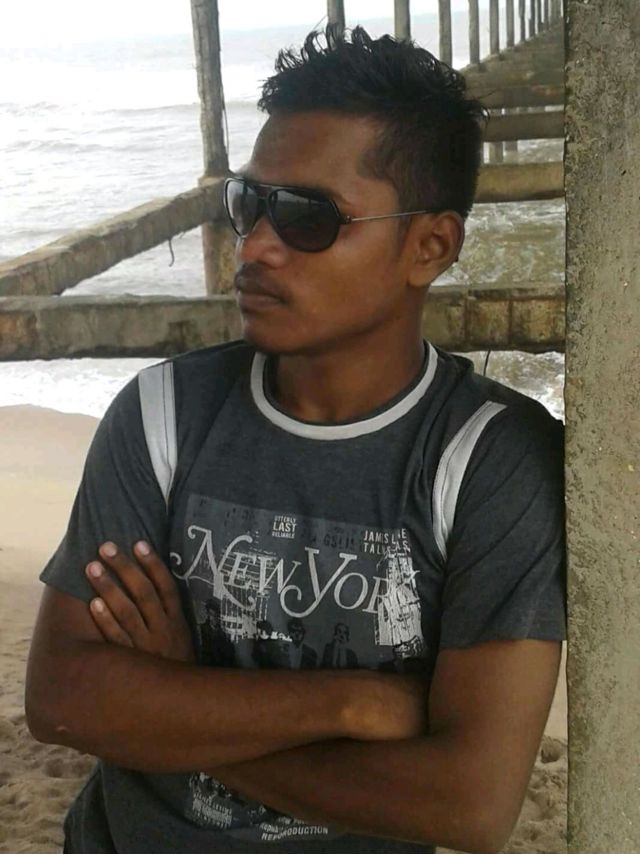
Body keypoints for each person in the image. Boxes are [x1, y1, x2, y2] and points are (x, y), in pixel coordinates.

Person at [25, 25, 566, 854]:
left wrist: (181, 699)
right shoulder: (163, 413)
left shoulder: (486, 462)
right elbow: (64, 700)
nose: (255, 246)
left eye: (308, 217)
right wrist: (349, 705)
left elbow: (469, 805)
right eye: (249, 204)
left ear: (430, 246)